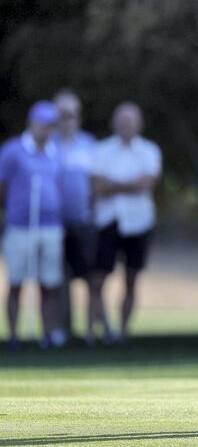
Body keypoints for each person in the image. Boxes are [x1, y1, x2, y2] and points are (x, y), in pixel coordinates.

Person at [90, 102, 161, 343]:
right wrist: (130, 185)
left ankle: (123, 331)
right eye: (121, 121)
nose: (126, 126)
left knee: (131, 279)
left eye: (130, 121)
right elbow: (98, 187)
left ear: (139, 124)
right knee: (98, 279)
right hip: (108, 222)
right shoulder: (101, 150)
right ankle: (100, 329)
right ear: (114, 123)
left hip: (138, 223)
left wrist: (114, 185)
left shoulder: (149, 150)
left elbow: (146, 185)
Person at [0, 101, 66, 349]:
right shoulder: (13, 151)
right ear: (32, 123)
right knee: (16, 283)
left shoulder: (56, 151)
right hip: (20, 226)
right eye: (44, 124)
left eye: (51, 126)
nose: (47, 130)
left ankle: (48, 335)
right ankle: (14, 336)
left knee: (49, 284)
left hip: (51, 226)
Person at [51, 89, 98, 343]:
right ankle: (59, 331)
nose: (69, 119)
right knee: (56, 280)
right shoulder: (47, 145)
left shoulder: (90, 144)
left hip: (84, 222)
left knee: (91, 278)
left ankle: (92, 332)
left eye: (73, 114)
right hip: (55, 224)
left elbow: (97, 184)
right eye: (64, 114)